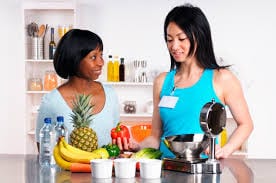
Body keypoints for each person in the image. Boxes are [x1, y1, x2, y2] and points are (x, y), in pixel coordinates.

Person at [116, 4, 253, 159]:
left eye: (181, 38)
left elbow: (246, 124)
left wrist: (226, 150)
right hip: (164, 169)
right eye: (169, 39)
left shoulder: (222, 78)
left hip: (202, 172)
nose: (174, 46)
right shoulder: (162, 81)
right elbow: (155, 137)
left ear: (199, 37)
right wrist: (137, 146)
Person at [35, 29, 120, 151]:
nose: (101, 62)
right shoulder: (52, 101)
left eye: (101, 55)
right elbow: (44, 151)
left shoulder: (110, 94)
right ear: (75, 59)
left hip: (107, 169)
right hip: (68, 170)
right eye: (93, 57)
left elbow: (116, 139)